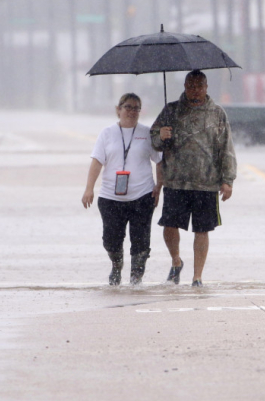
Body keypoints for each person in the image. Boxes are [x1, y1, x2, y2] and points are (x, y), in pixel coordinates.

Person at [150, 70, 236, 287]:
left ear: (206, 87)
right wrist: (161, 136)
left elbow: (227, 148)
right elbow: (153, 138)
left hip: (206, 183)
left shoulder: (217, 113)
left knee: (202, 229)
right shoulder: (171, 111)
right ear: (185, 86)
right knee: (169, 225)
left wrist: (228, 180)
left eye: (198, 86)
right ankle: (176, 261)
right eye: (190, 86)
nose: (194, 90)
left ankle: (197, 277)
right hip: (175, 180)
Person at [82, 93, 164, 285]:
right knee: (111, 240)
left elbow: (160, 162)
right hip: (111, 197)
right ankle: (116, 265)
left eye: (137, 108)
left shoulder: (147, 133)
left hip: (142, 195)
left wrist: (159, 186)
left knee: (141, 242)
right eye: (128, 107)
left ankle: (136, 278)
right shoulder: (107, 133)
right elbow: (96, 162)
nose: (132, 111)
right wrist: (89, 189)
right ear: (118, 109)